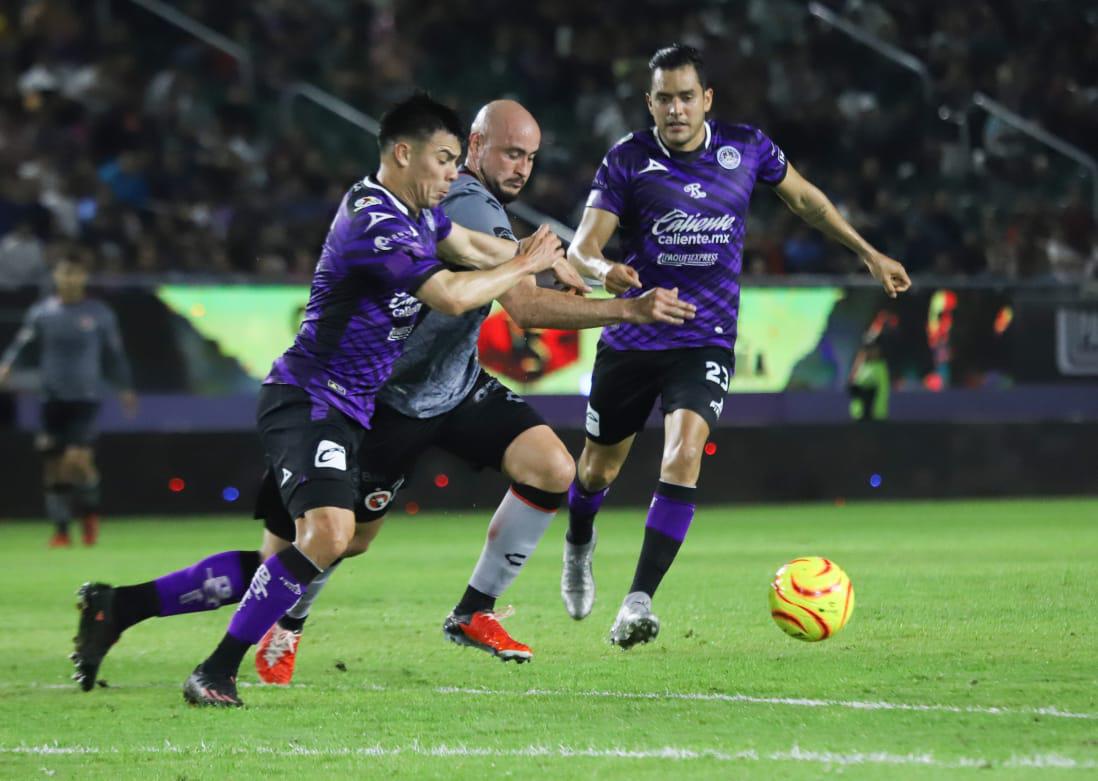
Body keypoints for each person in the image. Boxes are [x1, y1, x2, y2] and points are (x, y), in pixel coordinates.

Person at [68, 100, 694, 696]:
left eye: (457, 162)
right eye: (446, 160)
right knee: (318, 544)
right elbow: (452, 293)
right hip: (317, 399)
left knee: (325, 544)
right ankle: (222, 663)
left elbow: (478, 248)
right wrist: (547, 272)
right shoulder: (376, 219)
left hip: (363, 403)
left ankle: (123, 607)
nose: (452, 174)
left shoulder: (423, 212)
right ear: (403, 154)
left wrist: (552, 261)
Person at [250, 99, 695, 683]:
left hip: (455, 382)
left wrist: (576, 266)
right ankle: (286, 622)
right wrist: (625, 310)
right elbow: (525, 306)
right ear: (476, 147)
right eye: (511, 153)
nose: (522, 169)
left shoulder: (471, 204)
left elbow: (516, 258)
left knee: (551, 468)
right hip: (393, 398)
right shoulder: (456, 196)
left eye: (531, 158)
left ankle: (472, 612)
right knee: (346, 539)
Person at [560, 44, 911, 649]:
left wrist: (868, 253)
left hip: (705, 338)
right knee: (597, 470)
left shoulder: (746, 147)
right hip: (635, 333)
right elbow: (581, 247)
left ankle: (638, 600)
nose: (675, 108)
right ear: (649, 102)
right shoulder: (627, 159)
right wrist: (604, 270)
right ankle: (578, 543)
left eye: (686, 96)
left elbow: (805, 200)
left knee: (684, 454)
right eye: (664, 98)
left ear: (707, 99)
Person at [0, 253, 136, 547]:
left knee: (77, 460)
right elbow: (23, 345)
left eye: (75, 273)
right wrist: (7, 366)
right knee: (53, 466)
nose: (70, 279)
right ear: (56, 277)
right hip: (51, 398)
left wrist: (125, 387)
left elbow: (114, 354)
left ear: (83, 278)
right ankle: (62, 530)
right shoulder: (42, 313)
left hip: (85, 398)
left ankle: (89, 517)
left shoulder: (99, 313)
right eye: (65, 273)